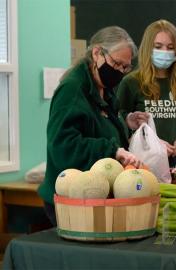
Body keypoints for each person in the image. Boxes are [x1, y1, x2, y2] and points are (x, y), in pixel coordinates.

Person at [38, 26, 141, 226]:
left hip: (94, 196)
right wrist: (112, 150)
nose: (119, 72)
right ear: (97, 53)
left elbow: (99, 124)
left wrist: (125, 123)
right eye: (117, 63)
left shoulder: (104, 88)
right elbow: (63, 145)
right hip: (71, 199)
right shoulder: (72, 90)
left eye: (125, 68)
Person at [116, 19, 176, 167]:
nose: (165, 52)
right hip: (142, 166)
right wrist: (153, 145)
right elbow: (118, 126)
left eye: (170, 47)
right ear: (148, 48)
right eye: (158, 46)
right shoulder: (131, 83)